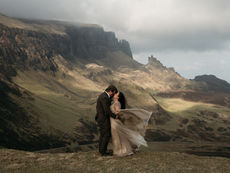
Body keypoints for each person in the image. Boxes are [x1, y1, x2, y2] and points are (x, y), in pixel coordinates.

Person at [110, 91, 152, 156]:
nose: (114, 94)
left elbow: (118, 112)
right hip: (114, 122)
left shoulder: (117, 103)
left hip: (115, 122)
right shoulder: (116, 103)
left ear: (118, 97)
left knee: (118, 137)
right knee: (118, 136)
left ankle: (121, 151)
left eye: (116, 94)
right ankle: (120, 150)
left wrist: (112, 113)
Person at [95, 85, 118, 156]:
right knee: (106, 135)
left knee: (103, 135)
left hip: (101, 118)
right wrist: (115, 116)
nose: (114, 94)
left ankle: (101, 150)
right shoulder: (104, 97)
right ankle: (103, 152)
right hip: (103, 119)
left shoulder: (104, 96)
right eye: (114, 93)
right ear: (111, 91)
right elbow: (107, 110)